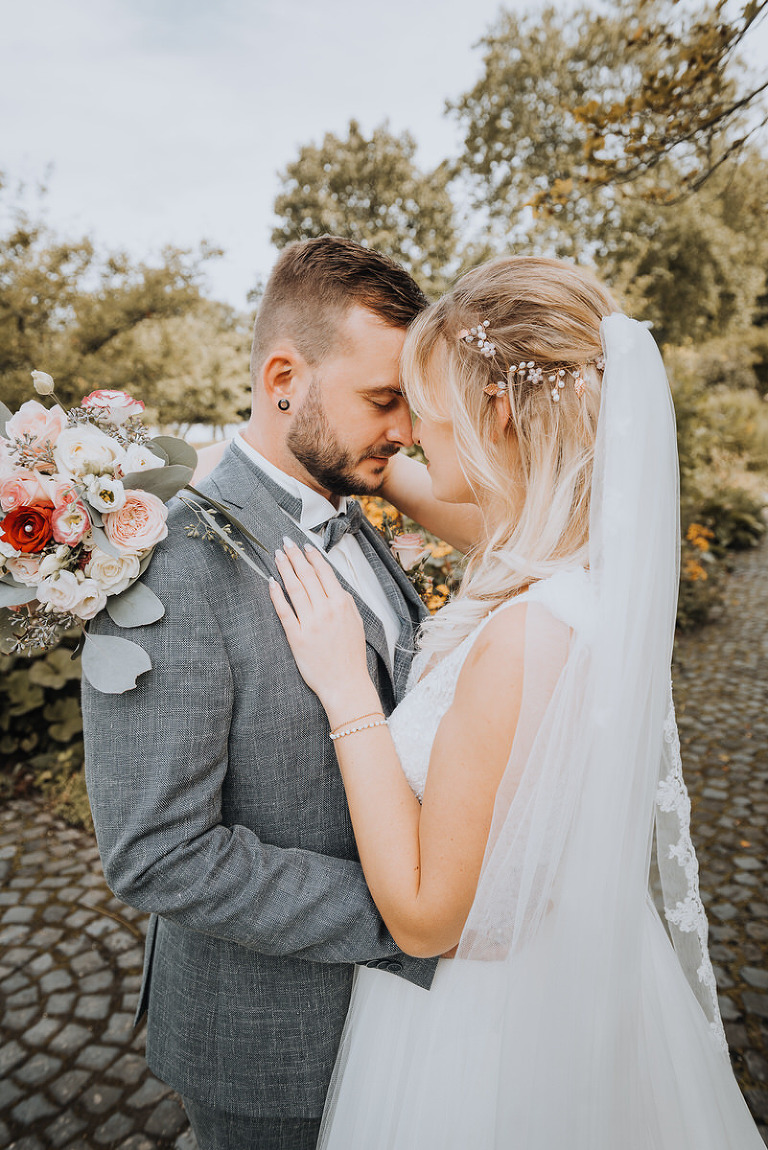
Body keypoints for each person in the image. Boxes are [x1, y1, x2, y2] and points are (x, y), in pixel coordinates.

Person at [270, 255, 765, 1148]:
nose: (414, 434)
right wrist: (342, 452)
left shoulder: (523, 638)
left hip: (479, 1029)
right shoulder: (583, 560)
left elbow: (423, 919)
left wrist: (347, 687)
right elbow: (456, 500)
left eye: (427, 411)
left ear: (496, 410)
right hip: (573, 983)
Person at [83, 236, 478, 1150]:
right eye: (385, 400)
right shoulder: (165, 570)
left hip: (395, 1034)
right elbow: (156, 854)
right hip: (270, 1052)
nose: (408, 432)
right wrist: (412, 915)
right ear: (283, 377)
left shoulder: (353, 507)